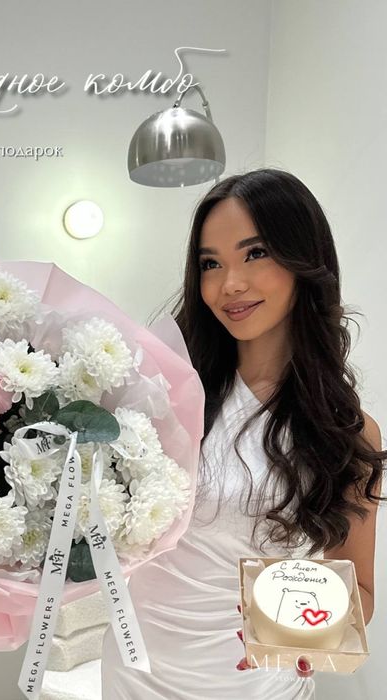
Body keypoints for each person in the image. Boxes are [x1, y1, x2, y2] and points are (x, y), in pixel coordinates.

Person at [100, 168, 386, 698]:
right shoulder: (166, 393)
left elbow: (360, 590)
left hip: (254, 683)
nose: (229, 284)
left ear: (305, 261)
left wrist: (304, 632)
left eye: (255, 253)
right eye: (211, 263)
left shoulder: (346, 430)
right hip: (138, 669)